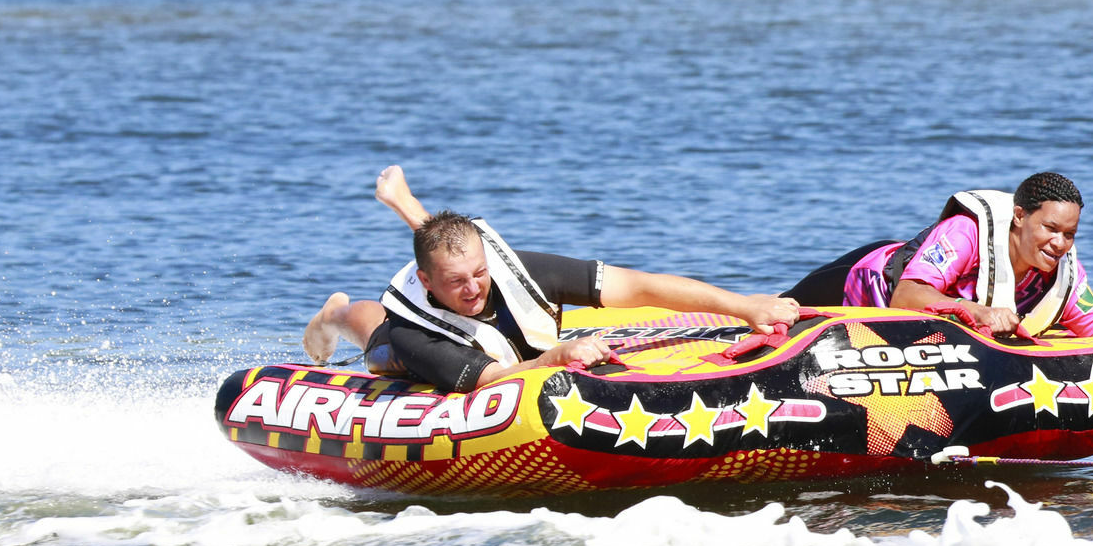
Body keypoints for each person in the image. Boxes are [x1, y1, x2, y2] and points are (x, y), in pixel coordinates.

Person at [302, 167, 799, 392]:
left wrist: (743, 305)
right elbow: (493, 377)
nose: (474, 288)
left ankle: (412, 209)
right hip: (416, 334)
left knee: (455, 251)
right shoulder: (415, 336)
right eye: (456, 284)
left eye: (481, 274)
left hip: (452, 258)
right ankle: (334, 312)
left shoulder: (522, 270)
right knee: (374, 333)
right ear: (426, 284)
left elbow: (640, 286)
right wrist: (551, 357)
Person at [782, 172, 1093, 338]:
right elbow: (907, 296)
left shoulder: (1064, 270)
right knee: (779, 313)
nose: (1059, 244)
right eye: (1050, 229)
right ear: (1020, 216)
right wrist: (979, 312)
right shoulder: (967, 234)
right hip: (861, 282)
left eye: (1069, 234)